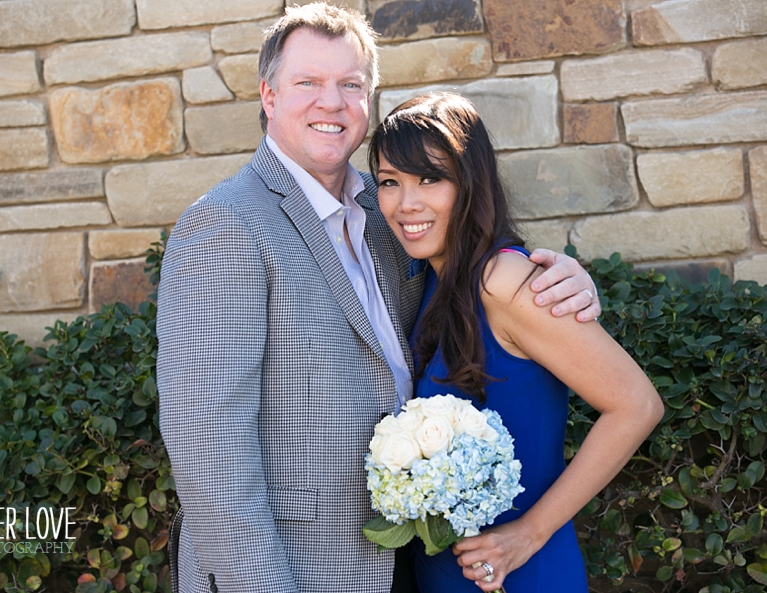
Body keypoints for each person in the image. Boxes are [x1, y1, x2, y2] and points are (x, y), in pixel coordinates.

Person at [156, 4, 600, 592]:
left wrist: (566, 278)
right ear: (268, 95)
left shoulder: (386, 208)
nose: (331, 102)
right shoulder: (226, 226)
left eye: (350, 84)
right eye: (307, 83)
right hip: (298, 569)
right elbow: (208, 452)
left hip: (407, 562)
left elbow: (471, 271)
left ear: (369, 99)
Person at [368, 92, 663, 593]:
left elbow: (637, 406)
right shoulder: (429, 280)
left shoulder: (502, 280)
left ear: (470, 183)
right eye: (389, 183)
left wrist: (529, 533)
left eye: (430, 179)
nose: (406, 203)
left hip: (522, 572)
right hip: (447, 573)